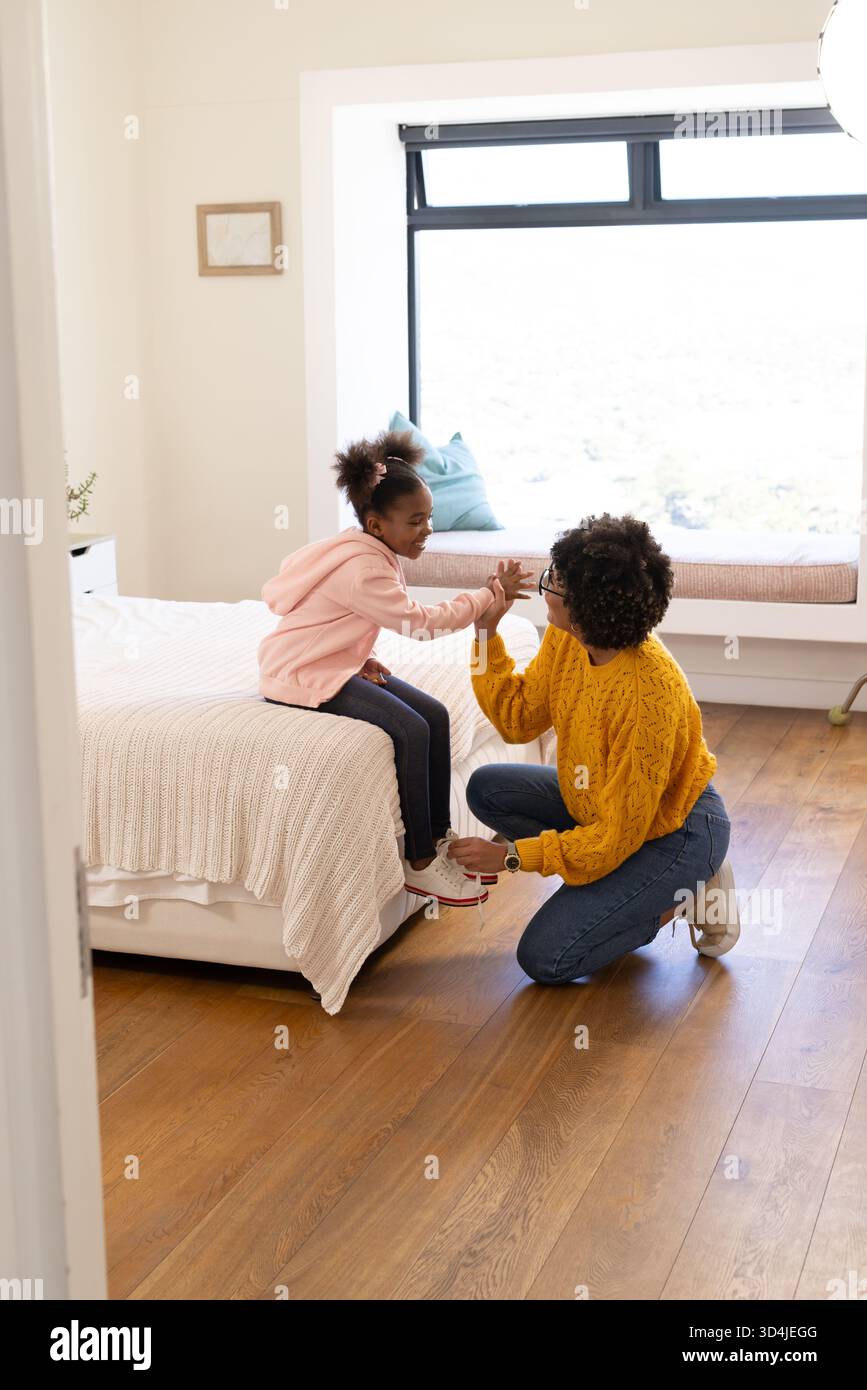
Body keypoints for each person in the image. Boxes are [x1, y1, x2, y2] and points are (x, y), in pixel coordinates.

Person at [446, 512, 739, 980]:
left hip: (676, 831)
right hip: (606, 810)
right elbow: (517, 719)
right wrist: (484, 633)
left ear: (585, 608)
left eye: (556, 581)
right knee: (487, 788)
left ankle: (686, 892)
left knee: (545, 958)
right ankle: (621, 890)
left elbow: (615, 838)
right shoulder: (571, 639)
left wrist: (513, 858)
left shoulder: (648, 695)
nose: (545, 587)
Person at [258, 428, 533, 907]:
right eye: (416, 521)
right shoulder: (364, 568)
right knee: (409, 728)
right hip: (300, 675)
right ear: (377, 523)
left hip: (331, 664)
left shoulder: (372, 550)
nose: (427, 529)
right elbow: (420, 625)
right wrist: (488, 595)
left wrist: (357, 656)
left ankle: (440, 835)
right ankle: (420, 860)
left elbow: (335, 620)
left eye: (429, 517)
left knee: (435, 714)